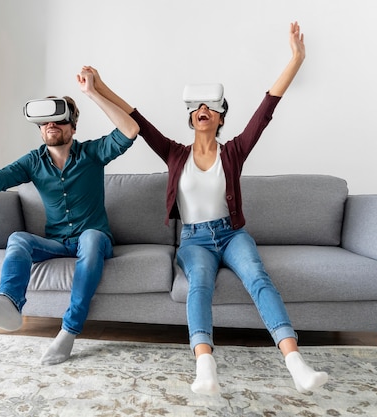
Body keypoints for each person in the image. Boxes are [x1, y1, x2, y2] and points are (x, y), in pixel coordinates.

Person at [83, 21, 328, 395]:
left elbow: (266, 109)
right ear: (190, 118)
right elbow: (138, 119)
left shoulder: (234, 152)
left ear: (219, 119)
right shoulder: (173, 154)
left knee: (258, 278)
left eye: (210, 108)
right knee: (199, 285)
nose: (203, 110)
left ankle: (296, 365)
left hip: (231, 235)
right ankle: (205, 368)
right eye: (196, 107)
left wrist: (296, 58)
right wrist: (98, 88)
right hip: (194, 241)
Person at [0, 67, 139, 366]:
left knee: (91, 238)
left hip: (94, 239)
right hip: (56, 242)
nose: (52, 124)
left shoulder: (92, 153)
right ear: (40, 129)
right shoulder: (33, 161)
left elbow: (130, 131)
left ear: (73, 128)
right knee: (18, 239)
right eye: (46, 121)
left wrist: (92, 92)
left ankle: (69, 331)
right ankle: (9, 306)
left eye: (60, 119)